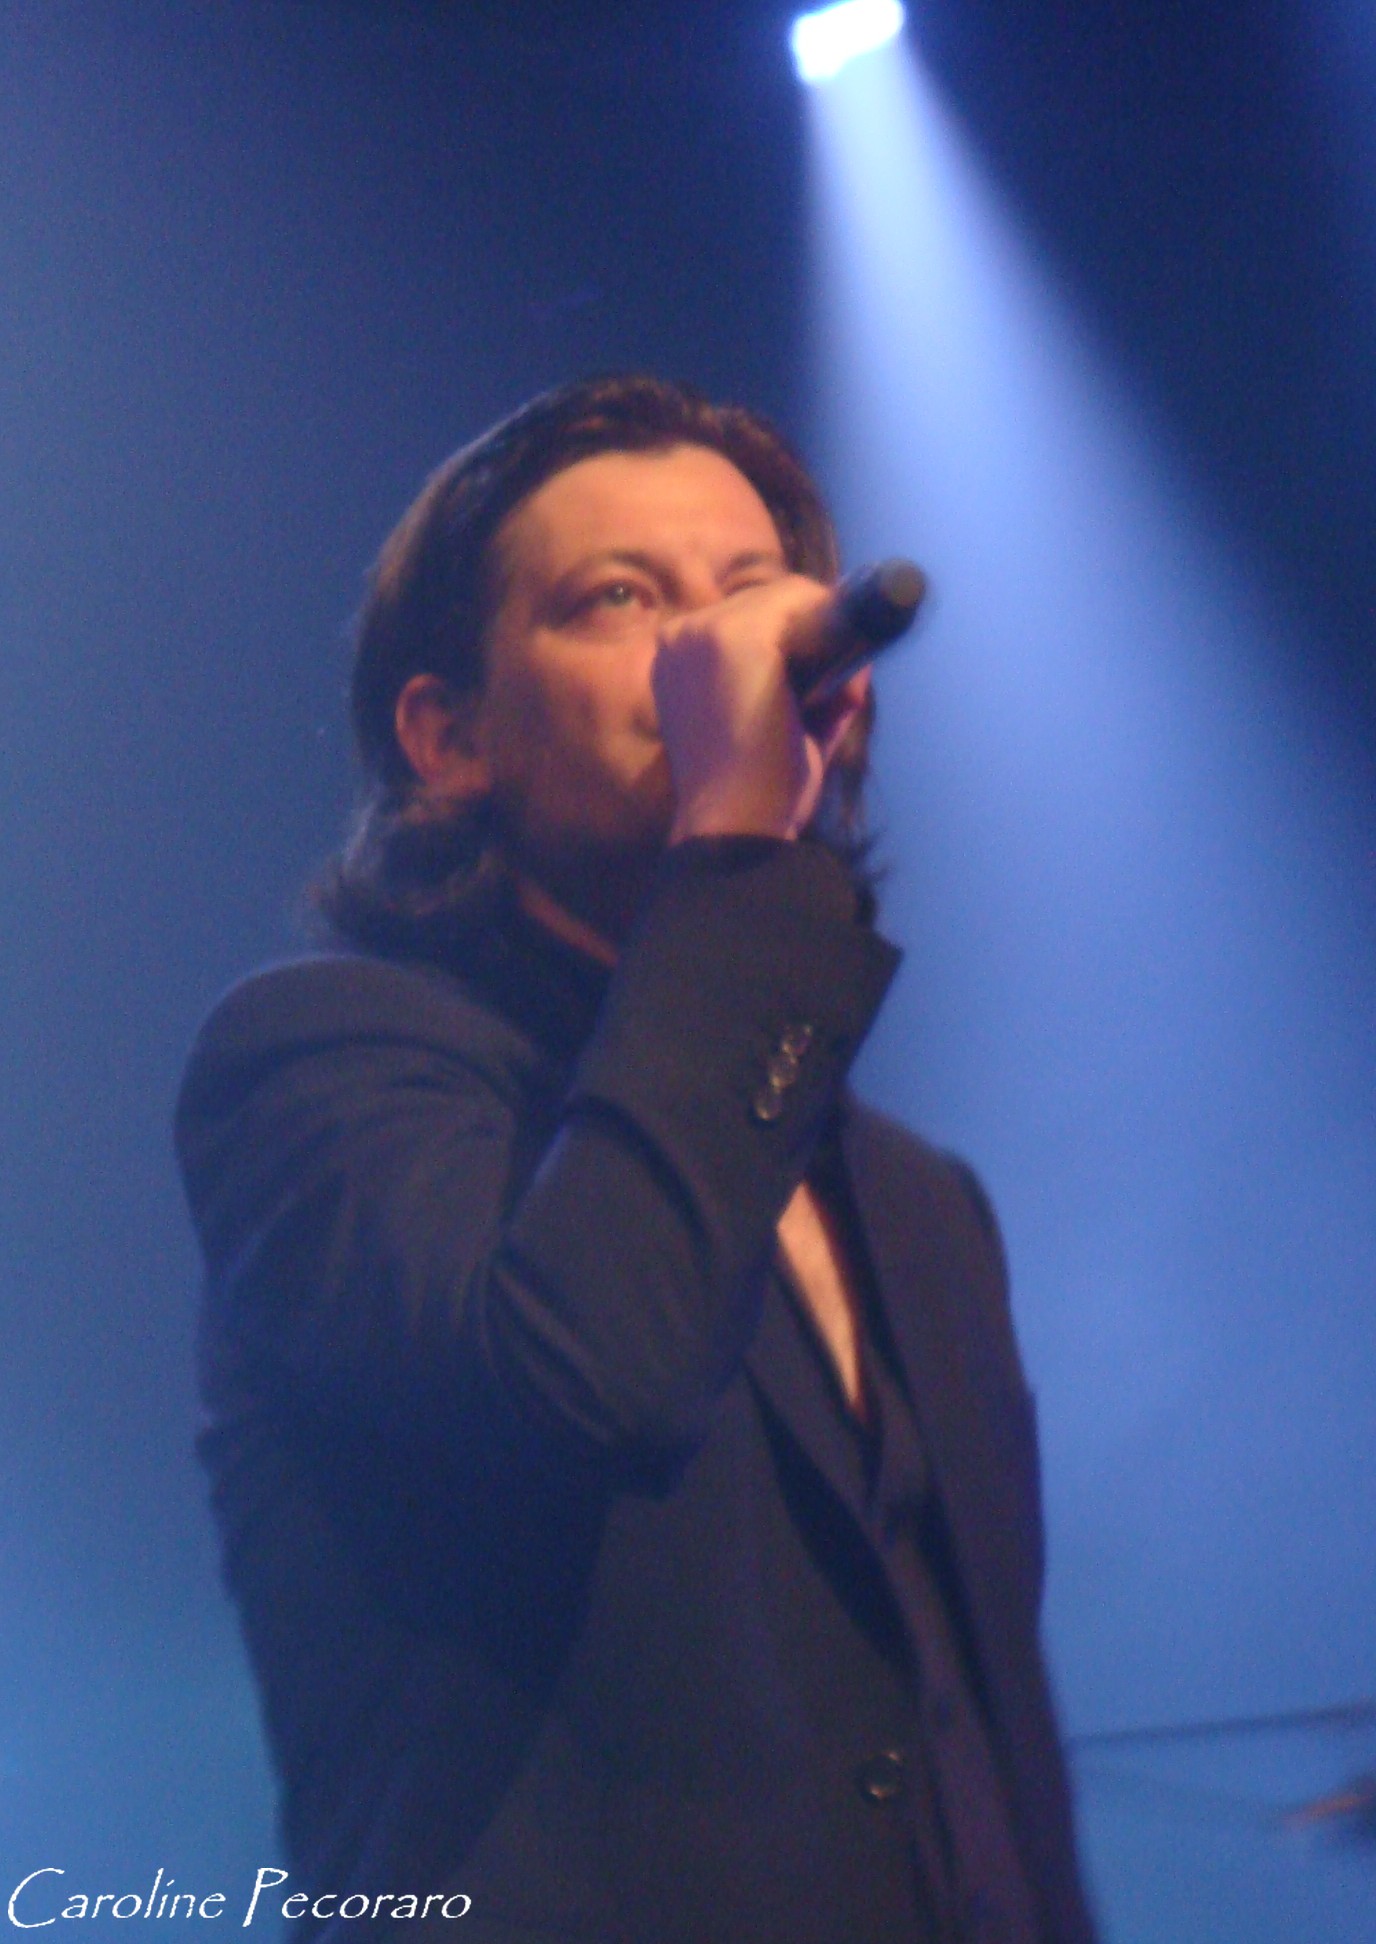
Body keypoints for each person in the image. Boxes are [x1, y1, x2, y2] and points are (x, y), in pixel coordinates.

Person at [176, 375, 1097, 1942]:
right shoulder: (323, 1071)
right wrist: (732, 837)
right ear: (448, 738)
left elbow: (976, 1731)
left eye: (752, 590)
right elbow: (586, 1377)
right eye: (621, 598)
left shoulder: (922, 1205)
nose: (717, 643)